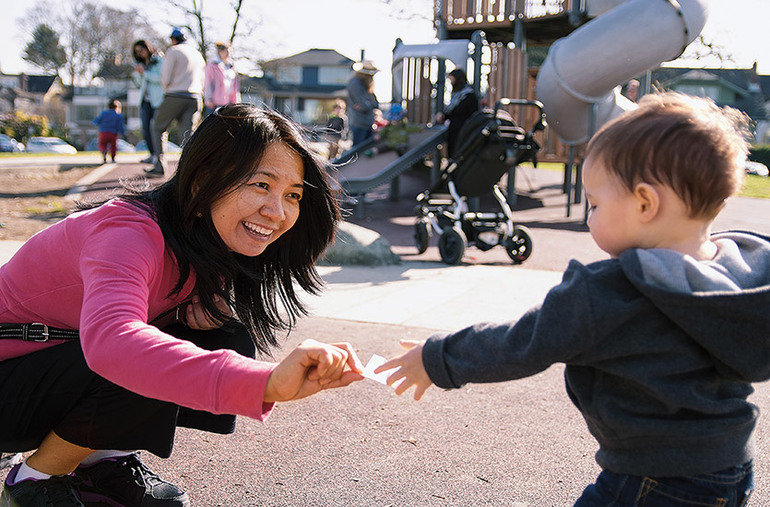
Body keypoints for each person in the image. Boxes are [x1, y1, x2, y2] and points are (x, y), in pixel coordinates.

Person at [378, 92, 768, 505]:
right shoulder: (740, 279)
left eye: (595, 203)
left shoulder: (610, 291)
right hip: (731, 470)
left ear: (645, 203)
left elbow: (522, 342)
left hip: (653, 478)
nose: (589, 216)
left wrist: (437, 357)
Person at [0, 104, 363, 507]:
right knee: (136, 353)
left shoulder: (207, 242)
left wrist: (197, 314)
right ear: (204, 178)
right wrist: (263, 383)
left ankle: (102, 459)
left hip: (44, 374)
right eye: (261, 185)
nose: (277, 212)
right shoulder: (127, 233)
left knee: (224, 335)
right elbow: (113, 343)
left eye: (292, 195)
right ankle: (33, 479)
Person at [146, 27, 206, 177]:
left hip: (175, 95)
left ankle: (159, 166)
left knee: (157, 126)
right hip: (195, 97)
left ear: (173, 39)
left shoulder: (173, 51)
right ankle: (189, 171)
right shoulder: (197, 54)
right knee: (187, 135)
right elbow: (203, 78)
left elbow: (165, 77)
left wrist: (166, 89)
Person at [434, 68, 479, 158]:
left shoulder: (469, 95)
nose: (451, 82)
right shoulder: (455, 95)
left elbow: (470, 113)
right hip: (454, 129)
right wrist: (444, 116)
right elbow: (452, 111)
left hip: (463, 130)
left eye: (452, 79)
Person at [132, 39, 164, 165]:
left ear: (148, 48)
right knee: (145, 129)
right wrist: (138, 74)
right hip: (144, 101)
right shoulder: (141, 65)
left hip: (157, 100)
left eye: (142, 50)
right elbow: (139, 83)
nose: (140, 53)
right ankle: (152, 154)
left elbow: (160, 79)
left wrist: (145, 73)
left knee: (155, 128)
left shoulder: (159, 61)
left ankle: (158, 155)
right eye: (137, 52)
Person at [346, 60, 379, 147]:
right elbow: (364, 105)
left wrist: (368, 105)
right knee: (358, 152)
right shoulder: (355, 84)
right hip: (359, 123)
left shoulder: (366, 86)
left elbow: (375, 104)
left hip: (368, 123)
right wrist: (369, 105)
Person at [203, 42, 240, 115]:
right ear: (220, 51)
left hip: (229, 103)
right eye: (226, 52)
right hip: (215, 103)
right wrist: (208, 98)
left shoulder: (231, 67)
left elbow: (235, 86)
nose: (228, 54)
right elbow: (208, 83)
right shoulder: (212, 65)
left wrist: (236, 101)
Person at [92, 99, 125, 163]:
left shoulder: (104, 113)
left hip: (103, 131)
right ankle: (112, 158)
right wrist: (122, 132)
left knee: (102, 144)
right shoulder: (118, 115)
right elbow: (120, 125)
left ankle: (104, 155)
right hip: (113, 132)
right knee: (113, 146)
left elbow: (96, 121)